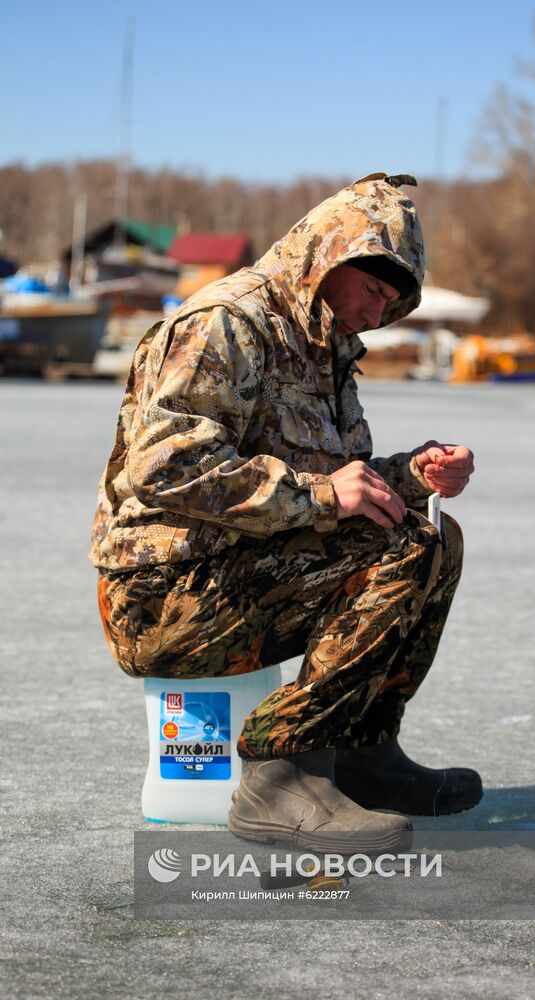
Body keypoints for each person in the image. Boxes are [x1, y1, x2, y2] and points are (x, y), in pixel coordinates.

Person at [90, 172, 482, 853]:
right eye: (372, 292)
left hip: (240, 570)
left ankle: (359, 754)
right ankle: (282, 778)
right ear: (329, 257)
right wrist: (325, 496)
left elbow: (337, 483)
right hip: (163, 593)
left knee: (429, 539)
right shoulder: (226, 323)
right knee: (398, 550)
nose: (375, 314)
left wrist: (410, 473)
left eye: (391, 303)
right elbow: (162, 467)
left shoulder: (321, 346)